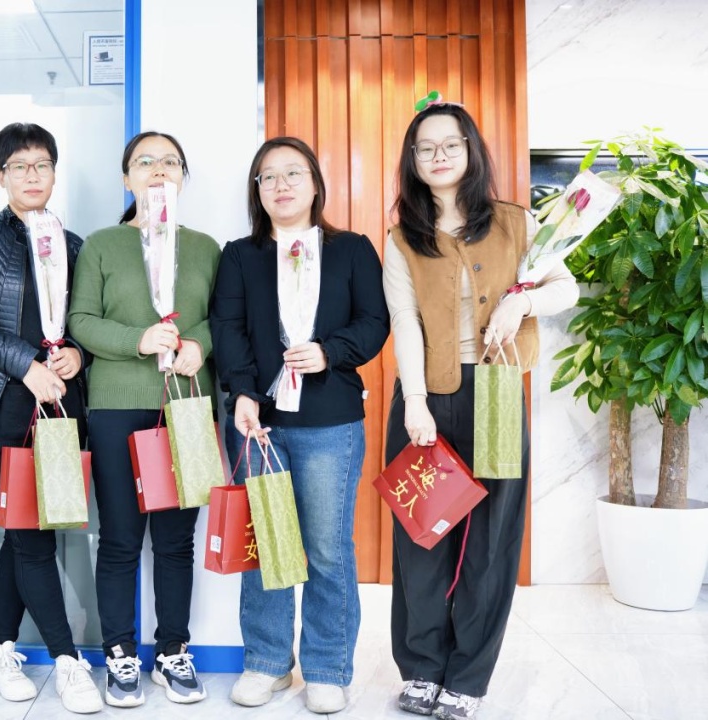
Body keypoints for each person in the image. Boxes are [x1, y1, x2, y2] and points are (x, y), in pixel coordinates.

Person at [383, 96, 578, 720]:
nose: (438, 155)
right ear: (413, 161)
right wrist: (415, 403)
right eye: (425, 148)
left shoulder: (516, 223)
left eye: (450, 144)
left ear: (470, 151)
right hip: (425, 398)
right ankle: (421, 669)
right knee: (422, 537)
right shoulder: (402, 238)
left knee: (491, 543)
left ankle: (467, 678)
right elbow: (404, 323)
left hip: (495, 392)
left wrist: (522, 303)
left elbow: (564, 286)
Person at [210, 136, 389, 715]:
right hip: (258, 422)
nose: (281, 185)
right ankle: (267, 663)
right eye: (268, 176)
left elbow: (374, 322)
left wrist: (331, 351)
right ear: (257, 192)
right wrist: (242, 392)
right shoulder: (240, 255)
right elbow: (227, 327)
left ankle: (327, 668)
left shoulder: (352, 250)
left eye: (293, 173)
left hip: (329, 421)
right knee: (266, 544)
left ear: (315, 184)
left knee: (327, 549)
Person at [0, 122, 103, 715]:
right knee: (31, 534)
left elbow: (83, 322)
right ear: (1, 175)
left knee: (26, 530)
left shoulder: (73, 244)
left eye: (42, 165)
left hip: (59, 410)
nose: (32, 175)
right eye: (19, 166)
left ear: (55, 172)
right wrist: (25, 364)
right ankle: (67, 661)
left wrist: (77, 355)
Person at [68, 131, 221, 708]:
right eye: (145, 161)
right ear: (126, 178)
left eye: (170, 162)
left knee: (176, 541)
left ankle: (173, 651)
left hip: (186, 405)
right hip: (116, 405)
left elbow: (221, 319)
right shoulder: (103, 245)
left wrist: (198, 345)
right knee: (120, 539)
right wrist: (138, 339)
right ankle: (120, 653)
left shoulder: (205, 248)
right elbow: (81, 320)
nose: (159, 170)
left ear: (183, 176)